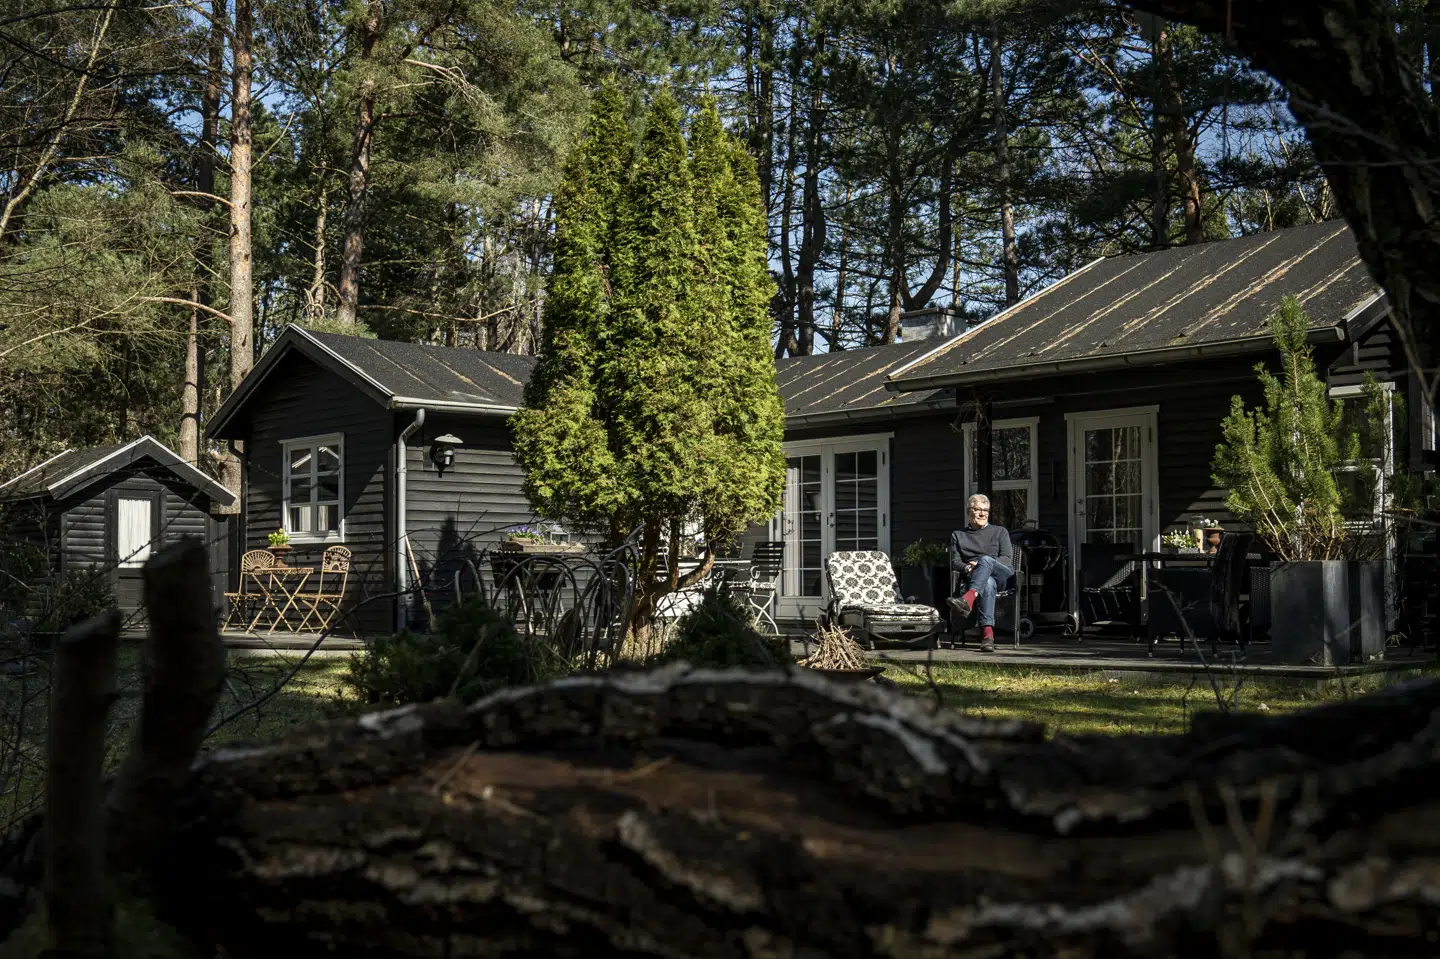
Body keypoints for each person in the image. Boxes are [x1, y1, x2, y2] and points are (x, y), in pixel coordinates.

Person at [948, 493, 1013, 652]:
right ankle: (987, 637)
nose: (983, 513)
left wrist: (982, 563)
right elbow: (955, 561)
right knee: (988, 584)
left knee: (985, 561)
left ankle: (968, 599)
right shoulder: (958, 535)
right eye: (978, 510)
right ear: (969, 511)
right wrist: (967, 568)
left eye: (986, 510)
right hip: (976, 577)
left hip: (1002, 577)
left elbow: (1006, 558)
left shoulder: (1000, 532)